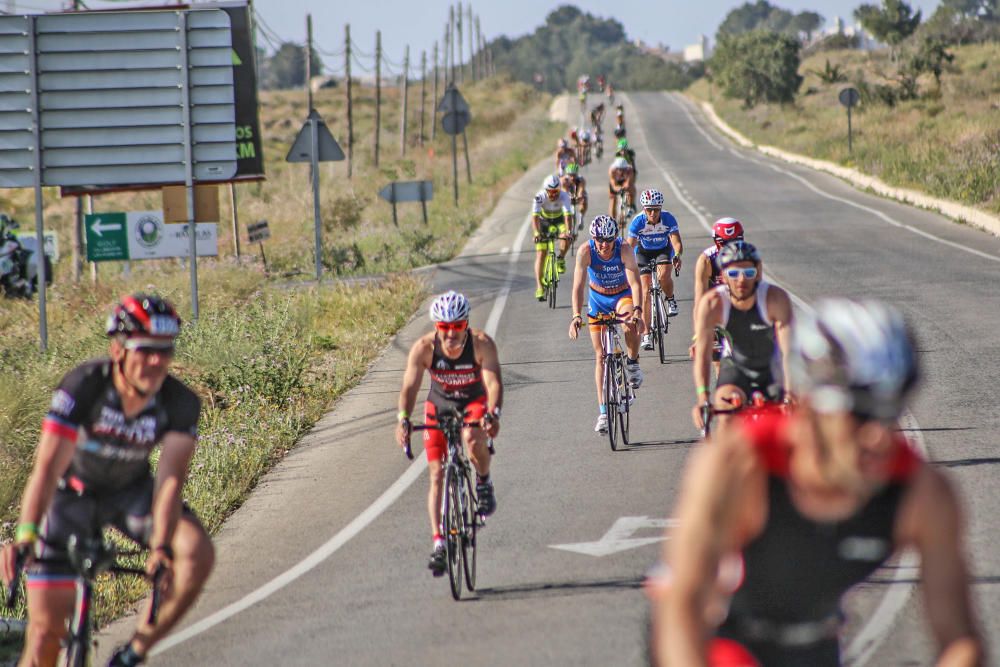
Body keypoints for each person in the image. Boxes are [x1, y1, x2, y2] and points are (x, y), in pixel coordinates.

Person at [652, 299, 984, 667]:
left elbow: (960, 640)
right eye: (860, 412)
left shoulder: (922, 492)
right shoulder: (740, 464)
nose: (878, 436)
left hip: (815, 646)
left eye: (892, 411)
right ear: (810, 407)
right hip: (717, 639)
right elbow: (681, 604)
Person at [0, 294, 215, 667]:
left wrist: (162, 547)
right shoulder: (84, 386)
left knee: (196, 553)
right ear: (118, 349)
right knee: (45, 635)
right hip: (70, 496)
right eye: (146, 350)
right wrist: (26, 534)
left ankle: (133, 653)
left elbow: (169, 481)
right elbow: (47, 469)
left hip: (131, 494)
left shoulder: (180, 402)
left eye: (165, 352)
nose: (156, 361)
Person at [395, 291, 502, 577]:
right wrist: (403, 419)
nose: (451, 334)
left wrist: (493, 415)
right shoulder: (424, 348)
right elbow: (410, 387)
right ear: (436, 327)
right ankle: (439, 542)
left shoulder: (481, 344)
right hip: (439, 406)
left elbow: (493, 384)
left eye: (457, 327)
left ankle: (483, 481)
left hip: (472, 402)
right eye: (444, 328)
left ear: (466, 324)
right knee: (436, 473)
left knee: (471, 438)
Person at [691, 241, 793, 432]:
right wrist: (703, 396)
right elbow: (703, 355)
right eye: (733, 274)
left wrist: (790, 393)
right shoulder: (713, 303)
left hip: (772, 368)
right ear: (722, 276)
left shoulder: (775, 299)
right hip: (736, 366)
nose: (741, 280)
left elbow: (789, 352)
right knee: (725, 414)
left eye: (748, 273)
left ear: (758, 273)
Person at [568, 215, 645, 434]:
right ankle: (603, 413)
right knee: (600, 355)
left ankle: (632, 362)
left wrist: (638, 311)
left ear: (615, 238)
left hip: (622, 296)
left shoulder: (624, 250)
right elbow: (577, 287)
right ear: (593, 238)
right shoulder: (585, 251)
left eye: (608, 240)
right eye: (599, 240)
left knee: (629, 323)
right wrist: (576, 315)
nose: (604, 244)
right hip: (598, 300)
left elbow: (635, 283)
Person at [626, 189, 683, 350]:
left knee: (664, 276)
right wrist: (626, 264)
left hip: (663, 250)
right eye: (649, 209)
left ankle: (670, 299)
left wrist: (677, 254)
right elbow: (629, 246)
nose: (652, 213)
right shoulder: (637, 221)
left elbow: (676, 241)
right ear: (644, 209)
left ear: (660, 208)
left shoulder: (668, 218)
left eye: (656, 209)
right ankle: (646, 334)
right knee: (645, 291)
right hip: (643, 252)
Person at [689, 218, 746, 363]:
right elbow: (700, 301)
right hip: (716, 307)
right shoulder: (706, 260)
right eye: (724, 244)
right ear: (716, 242)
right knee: (720, 362)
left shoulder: (749, 258)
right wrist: (699, 335)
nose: (730, 249)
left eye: (735, 243)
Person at [532, 174, 574, 300]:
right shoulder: (539, 197)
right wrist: (537, 234)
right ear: (546, 190)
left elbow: (567, 216)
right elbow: (534, 217)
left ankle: (560, 258)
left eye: (556, 191)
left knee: (566, 237)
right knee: (541, 253)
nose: (554, 195)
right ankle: (539, 286)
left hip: (559, 220)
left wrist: (569, 231)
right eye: (551, 192)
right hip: (543, 222)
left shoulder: (565, 196)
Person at [560, 162, 588, 234]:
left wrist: (579, 197)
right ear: (567, 174)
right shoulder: (563, 180)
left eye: (574, 175)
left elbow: (581, 190)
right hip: (567, 194)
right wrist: (569, 198)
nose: (572, 177)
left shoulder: (581, 180)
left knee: (584, 199)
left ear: (577, 174)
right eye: (570, 175)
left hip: (577, 192)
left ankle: (581, 216)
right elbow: (564, 191)